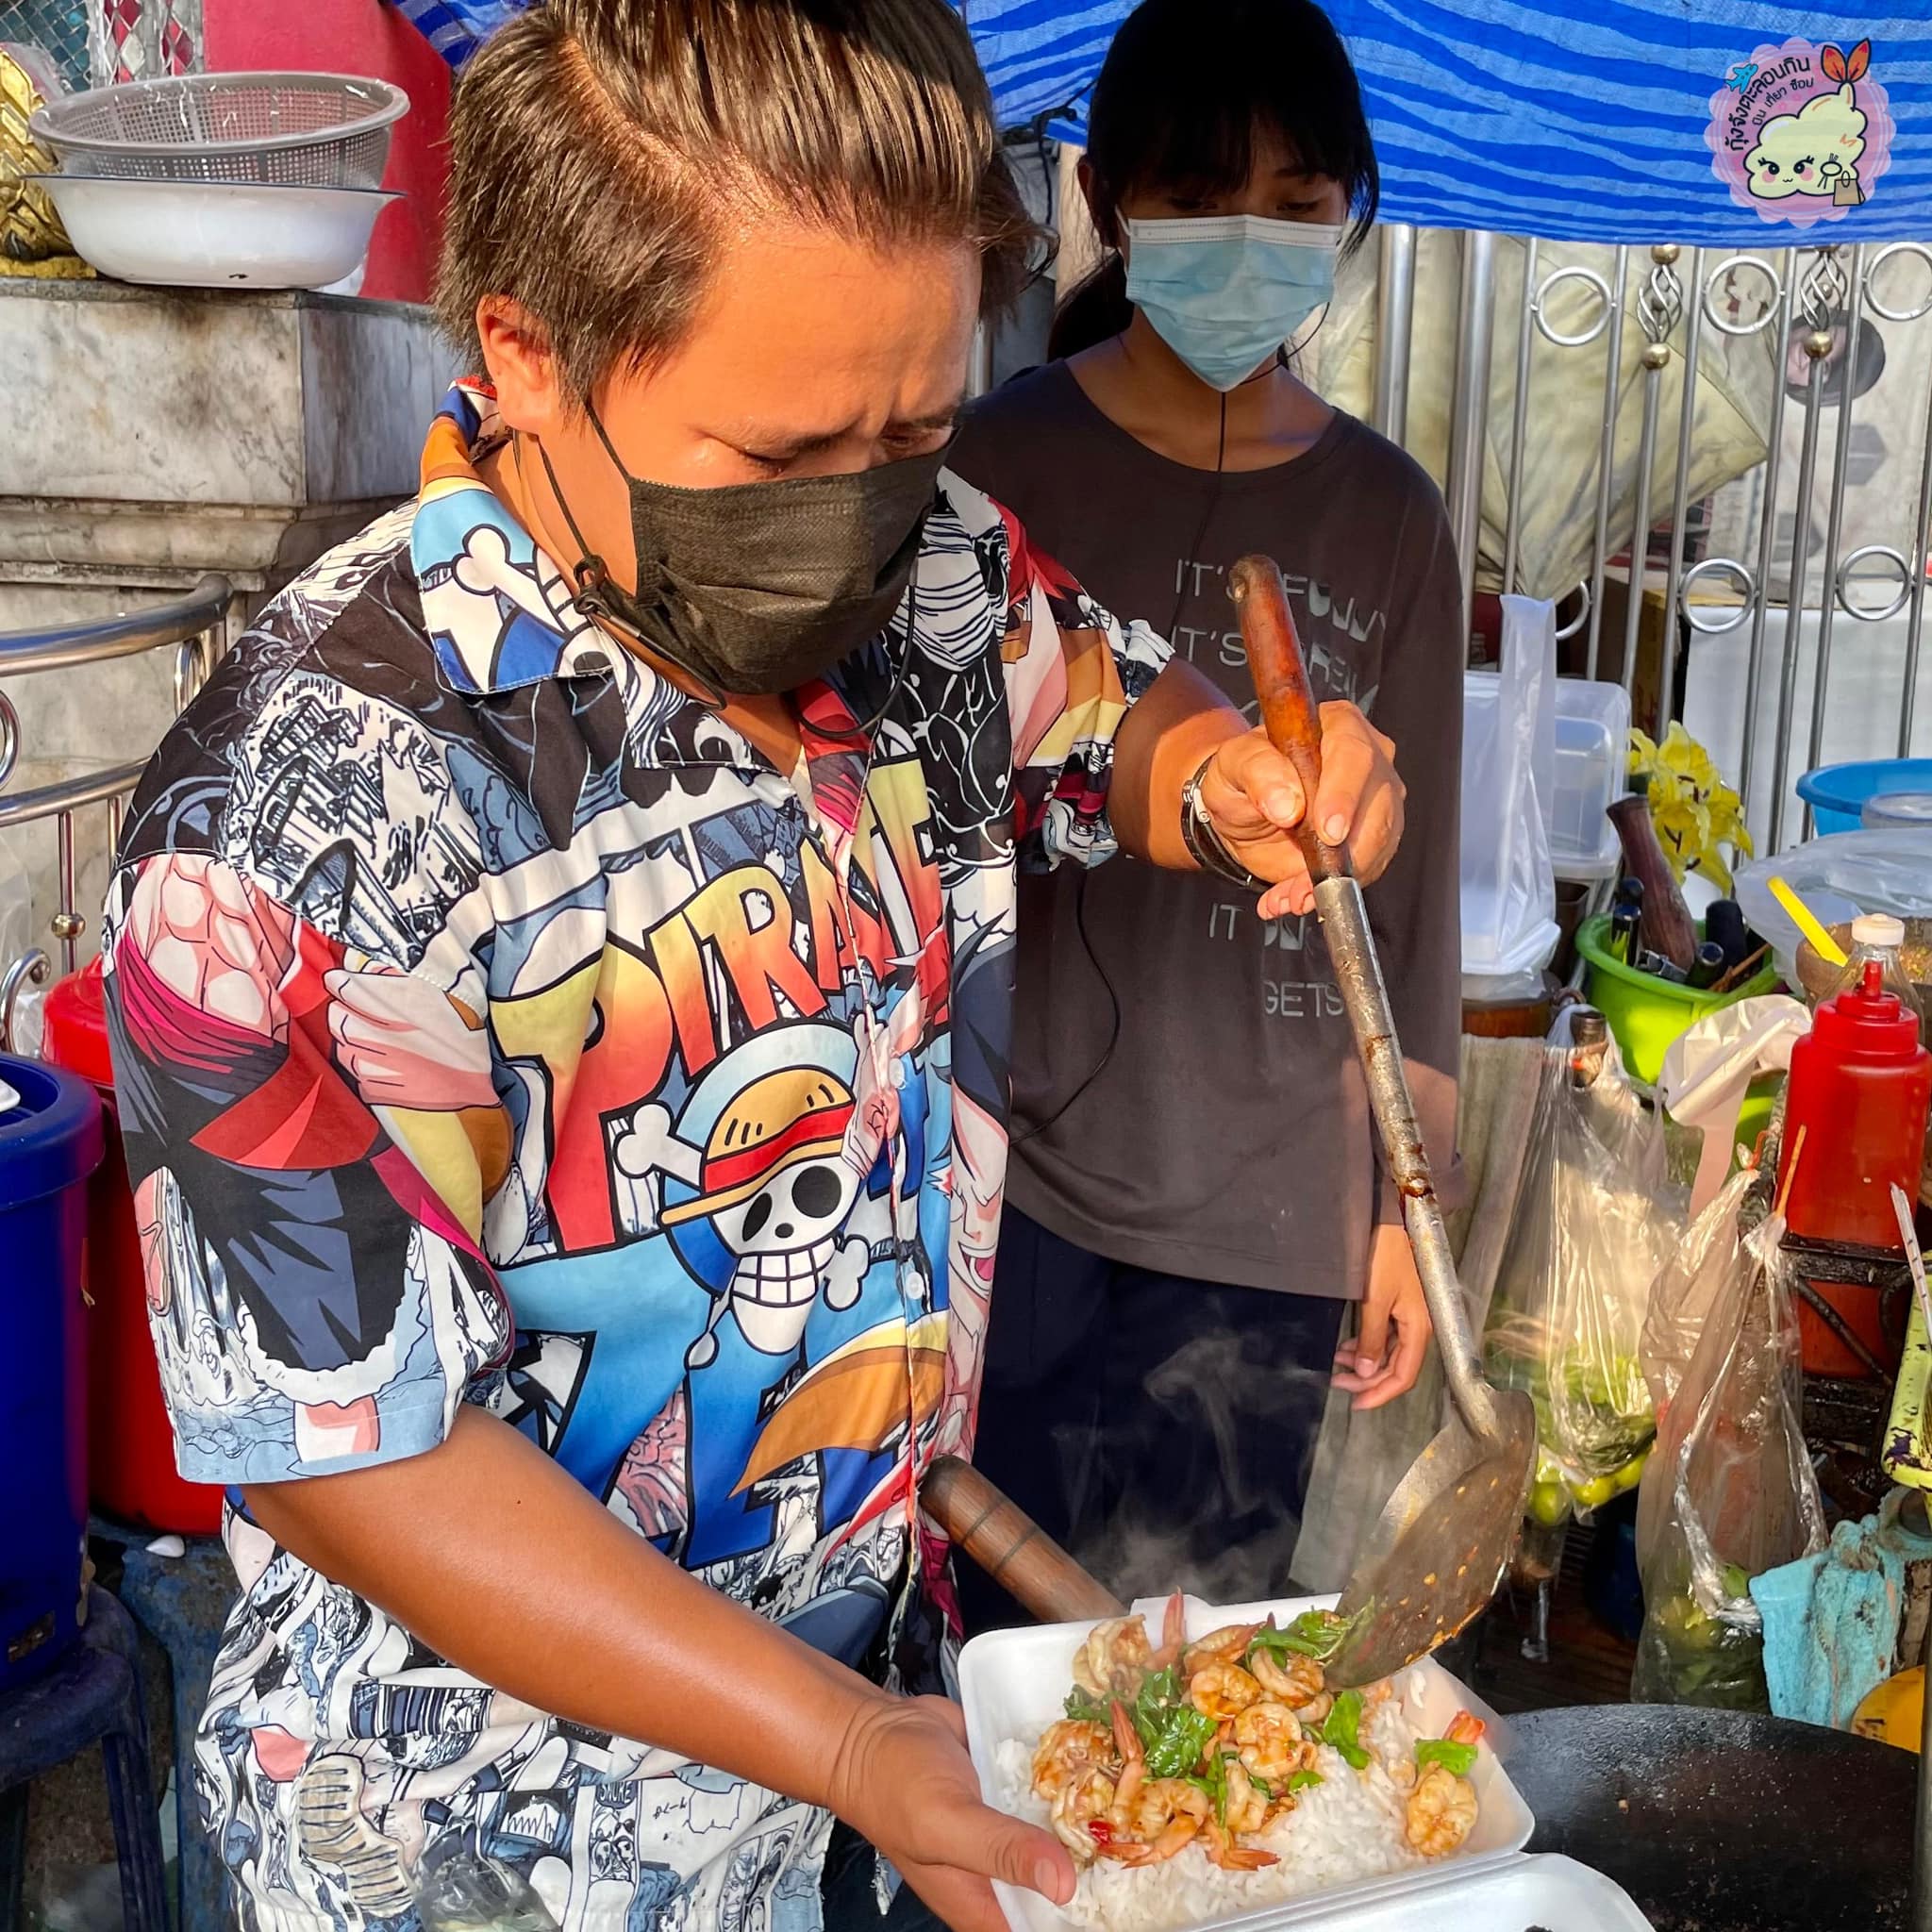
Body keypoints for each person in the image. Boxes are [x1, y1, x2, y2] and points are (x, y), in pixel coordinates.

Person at [96, 4, 1406, 1929]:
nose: (872, 511)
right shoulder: (287, 814)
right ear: (526, 353)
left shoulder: (925, 567)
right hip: (476, 1845)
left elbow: (1109, 702)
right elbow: (345, 1456)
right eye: (787, 451)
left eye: (918, 427)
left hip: (851, 1779)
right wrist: (837, 1739)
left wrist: (1238, 783)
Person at [952, 0, 1464, 1626]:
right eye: (1195, 198)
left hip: (1277, 1208)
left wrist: (1407, 1205)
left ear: (1348, 214)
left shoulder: (1391, 512)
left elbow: (1424, 894)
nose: (1248, 244)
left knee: (1193, 1666)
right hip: (1016, 1179)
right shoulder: (996, 461)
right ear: (1106, 199)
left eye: (1298, 209)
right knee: (982, 1650)